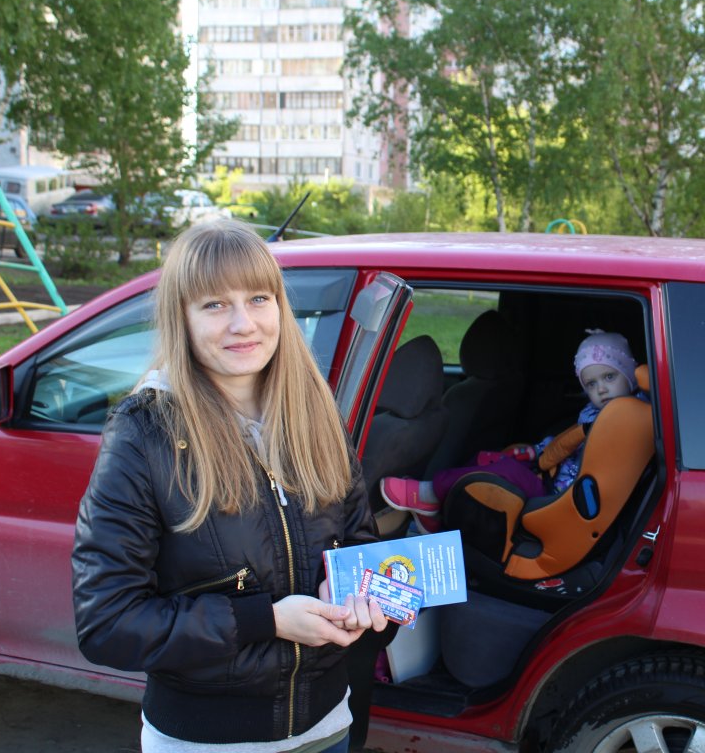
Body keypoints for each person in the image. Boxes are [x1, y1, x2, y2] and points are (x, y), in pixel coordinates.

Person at [71, 219, 389, 753]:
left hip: (329, 723)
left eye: (259, 298)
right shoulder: (144, 434)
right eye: (215, 304)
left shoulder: (315, 413)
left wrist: (361, 595)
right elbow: (106, 621)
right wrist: (264, 620)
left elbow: (359, 541)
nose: (244, 323)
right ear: (183, 319)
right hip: (210, 741)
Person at [381, 329, 645, 531]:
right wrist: (538, 450)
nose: (601, 389)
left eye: (610, 377)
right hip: (555, 480)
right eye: (591, 383)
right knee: (489, 459)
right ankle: (437, 509)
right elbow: (570, 441)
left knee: (503, 472)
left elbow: (579, 446)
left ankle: (430, 494)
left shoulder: (627, 416)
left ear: (630, 375)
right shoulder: (596, 412)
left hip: (563, 498)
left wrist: (544, 456)